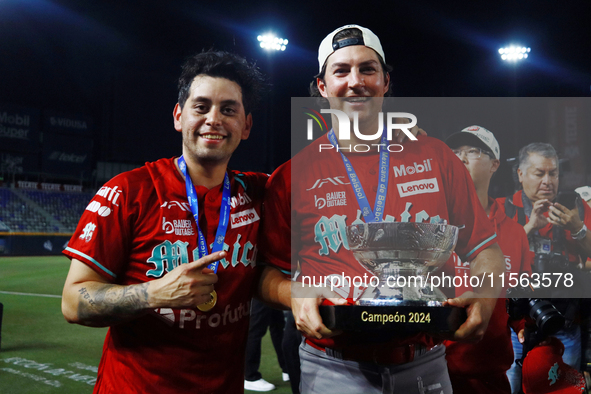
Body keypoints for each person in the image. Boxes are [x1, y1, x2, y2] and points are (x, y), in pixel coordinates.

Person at [258, 24, 506, 394]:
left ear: (386, 82)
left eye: (368, 69)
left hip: (424, 359)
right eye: (341, 71)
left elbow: (485, 249)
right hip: (332, 367)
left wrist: (485, 300)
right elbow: (265, 272)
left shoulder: (436, 157)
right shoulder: (292, 176)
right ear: (323, 88)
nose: (355, 81)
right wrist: (293, 292)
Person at [61, 50, 268, 393]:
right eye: (201, 107)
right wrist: (153, 293)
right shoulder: (128, 191)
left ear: (246, 126)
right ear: (178, 116)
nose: (214, 119)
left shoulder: (260, 193)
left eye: (228, 109)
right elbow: (73, 302)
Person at [444, 126, 533, 394]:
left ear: (495, 164)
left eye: (473, 151)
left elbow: (519, 295)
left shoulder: (514, 232)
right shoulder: (431, 220)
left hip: (489, 375)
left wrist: (524, 324)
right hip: (430, 369)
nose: (461, 157)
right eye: (455, 152)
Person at [497, 142, 591, 392]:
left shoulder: (576, 208)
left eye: (554, 173)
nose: (548, 181)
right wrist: (528, 228)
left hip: (565, 327)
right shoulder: (502, 208)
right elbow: (491, 262)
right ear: (520, 174)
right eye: (539, 173)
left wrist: (577, 228)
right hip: (516, 331)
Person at [244, 298, 288, 391]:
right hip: (261, 286)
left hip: (273, 286)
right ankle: (250, 377)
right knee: (257, 327)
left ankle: (287, 368)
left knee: (278, 325)